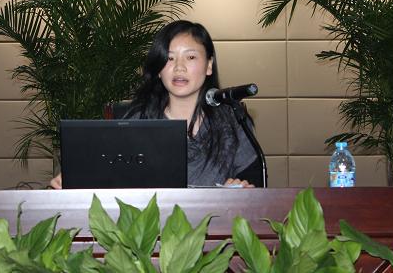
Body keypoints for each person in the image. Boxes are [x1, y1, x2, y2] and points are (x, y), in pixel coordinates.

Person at [50, 20, 262, 189]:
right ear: (159, 69)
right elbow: (106, 178)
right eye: (169, 59)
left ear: (208, 65)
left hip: (217, 226)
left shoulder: (231, 121)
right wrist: (73, 180)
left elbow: (255, 181)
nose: (179, 67)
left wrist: (242, 187)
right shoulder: (136, 120)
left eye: (190, 57)